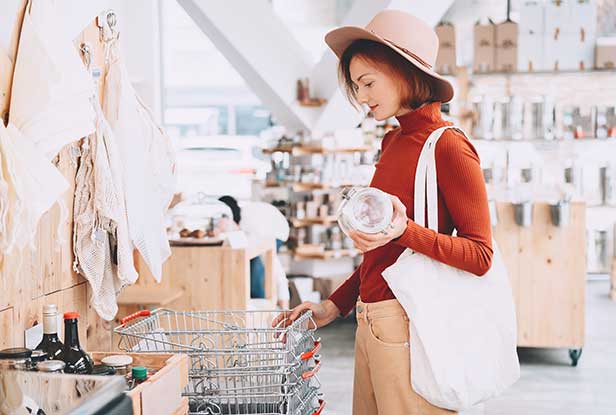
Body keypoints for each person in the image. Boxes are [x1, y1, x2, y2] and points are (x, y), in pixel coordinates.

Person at [273, 10, 493, 415]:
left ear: (405, 72)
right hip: (371, 321)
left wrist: (403, 230)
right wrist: (333, 306)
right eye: (356, 86)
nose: (361, 96)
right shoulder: (393, 142)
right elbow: (387, 253)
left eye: (368, 82)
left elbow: (480, 256)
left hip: (412, 324)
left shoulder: (448, 147)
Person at [218, 196, 290, 309]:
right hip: (265, 225)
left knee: (259, 266)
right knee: (251, 264)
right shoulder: (240, 221)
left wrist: (285, 307)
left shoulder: (253, 227)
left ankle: (273, 307)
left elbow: (277, 269)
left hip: (278, 231)